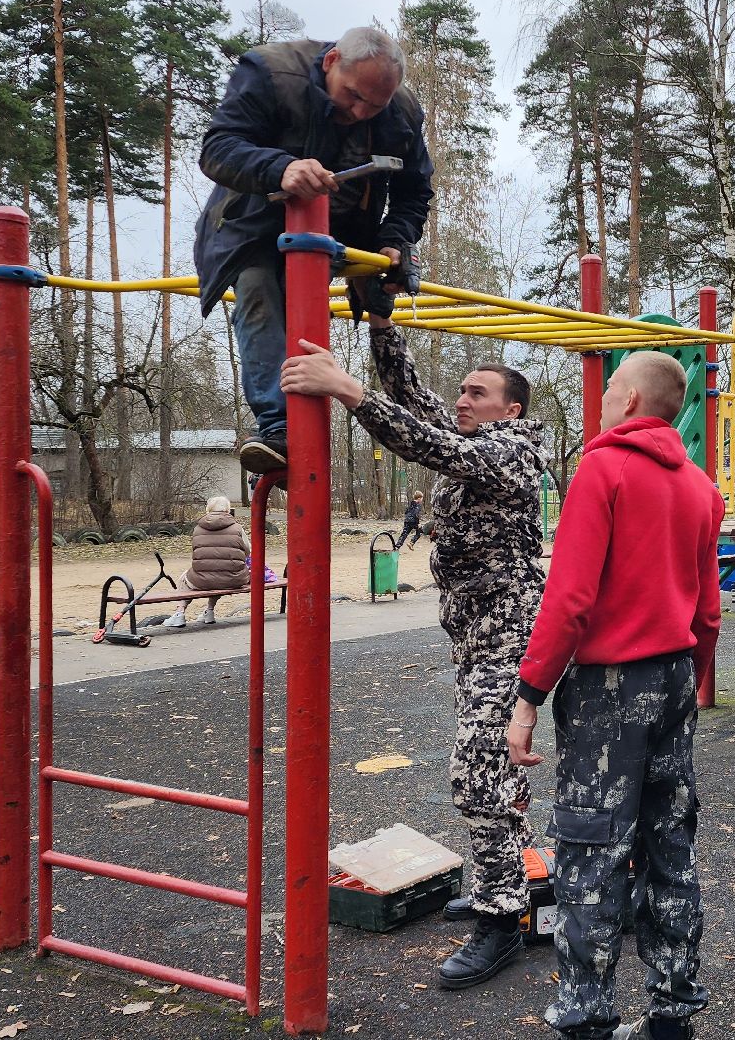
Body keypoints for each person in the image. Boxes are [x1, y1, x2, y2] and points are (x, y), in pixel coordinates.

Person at [278, 301, 547, 990]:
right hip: (476, 639)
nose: (460, 399)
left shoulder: (511, 450)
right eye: (461, 390)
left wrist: (345, 390)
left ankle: (501, 918)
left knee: (477, 773)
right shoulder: (476, 432)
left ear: (510, 410)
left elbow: (434, 445)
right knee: (492, 774)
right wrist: (379, 324)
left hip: (510, 640)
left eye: (477, 393)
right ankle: (503, 882)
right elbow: (413, 399)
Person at [507, 352, 723, 1040]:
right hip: (676, 676)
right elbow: (708, 613)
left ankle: (587, 1019)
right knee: (669, 847)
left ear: (630, 401)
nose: (599, 402)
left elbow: (569, 598)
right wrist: (690, 685)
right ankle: (672, 1015)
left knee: (590, 854)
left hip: (609, 689)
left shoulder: (604, 468)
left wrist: (529, 695)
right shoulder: (700, 488)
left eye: (608, 391)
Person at [194, 25, 434, 477]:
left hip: (343, 237)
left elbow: (414, 189)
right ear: (330, 63)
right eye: (353, 96)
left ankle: (407, 418)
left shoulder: (399, 113)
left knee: (384, 291)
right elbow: (217, 148)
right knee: (258, 289)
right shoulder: (270, 73)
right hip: (254, 227)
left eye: (373, 105)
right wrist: (280, 168)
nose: (360, 112)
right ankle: (280, 428)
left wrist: (394, 237)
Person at [163, 496, 250, 629]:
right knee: (220, 573)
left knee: (186, 578)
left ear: (208, 509)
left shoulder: (198, 529)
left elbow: (196, 552)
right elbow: (249, 550)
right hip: (234, 578)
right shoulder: (237, 528)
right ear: (227, 510)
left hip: (202, 579)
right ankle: (209, 611)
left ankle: (179, 613)